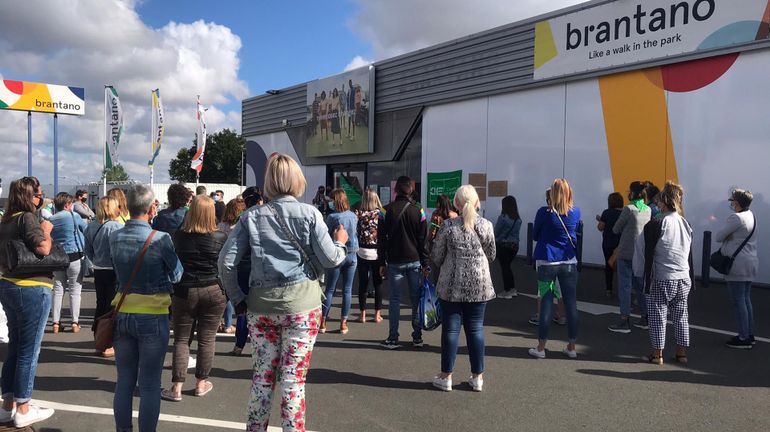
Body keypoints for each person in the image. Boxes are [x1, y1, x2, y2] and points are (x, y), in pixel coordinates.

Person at [219, 153, 348, 431]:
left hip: (261, 306)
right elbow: (330, 259)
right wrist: (341, 244)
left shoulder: (250, 217)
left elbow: (225, 263)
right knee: (293, 381)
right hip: (302, 306)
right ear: (297, 180)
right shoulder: (310, 214)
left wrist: (238, 299)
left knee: (263, 377)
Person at [110, 184, 182, 432]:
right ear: (152, 208)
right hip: (152, 314)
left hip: (122, 311)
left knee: (124, 381)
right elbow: (177, 274)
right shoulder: (161, 239)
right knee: (150, 384)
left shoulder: (115, 236)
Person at [0, 176, 56, 427]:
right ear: (29, 197)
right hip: (32, 286)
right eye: (38, 194)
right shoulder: (27, 218)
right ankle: (23, 407)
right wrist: (45, 231)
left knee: (16, 346)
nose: (41, 198)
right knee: (29, 349)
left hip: (9, 284)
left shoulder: (6, 220)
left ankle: (8, 404)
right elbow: (43, 248)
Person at [160, 196, 227, 402]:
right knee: (207, 338)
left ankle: (177, 387)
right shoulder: (220, 237)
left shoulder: (178, 236)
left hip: (184, 290)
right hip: (213, 288)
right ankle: (200, 384)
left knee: (181, 338)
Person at [430, 185, 495, 392]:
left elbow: (437, 256)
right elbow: (491, 254)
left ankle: (446, 376)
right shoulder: (486, 225)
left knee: (451, 329)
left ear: (456, 204)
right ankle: (477, 377)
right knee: (476, 329)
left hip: (451, 285)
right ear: (477, 203)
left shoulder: (448, 226)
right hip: (480, 285)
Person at [528, 179, 581, 359]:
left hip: (547, 263)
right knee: (571, 304)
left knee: (546, 303)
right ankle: (572, 346)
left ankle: (541, 347)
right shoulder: (576, 212)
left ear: (552, 193)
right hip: (568, 263)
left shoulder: (544, 213)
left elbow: (535, 235)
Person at [641, 181, 692, 365]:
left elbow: (648, 254)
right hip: (683, 276)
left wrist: (645, 279)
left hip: (662, 276)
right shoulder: (686, 223)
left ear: (663, 201)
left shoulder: (656, 223)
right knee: (681, 316)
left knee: (657, 316)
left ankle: (657, 354)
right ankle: (681, 353)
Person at [378, 176, 429, 350]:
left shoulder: (385, 211)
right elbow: (423, 240)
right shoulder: (419, 211)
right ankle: (417, 337)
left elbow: (381, 240)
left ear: (396, 190)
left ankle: (393, 338)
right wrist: (425, 262)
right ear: (411, 189)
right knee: (416, 299)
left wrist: (381, 261)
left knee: (394, 300)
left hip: (394, 261)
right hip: (414, 259)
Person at [715, 188, 758, 349]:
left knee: (738, 300)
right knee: (745, 299)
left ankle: (743, 337)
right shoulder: (751, 215)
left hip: (737, 264)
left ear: (737, 202)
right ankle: (749, 334)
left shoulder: (736, 218)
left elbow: (719, 236)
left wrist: (728, 236)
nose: (731, 203)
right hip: (750, 262)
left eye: (732, 201)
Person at [608, 182, 651, 333]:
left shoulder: (629, 209)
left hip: (626, 252)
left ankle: (624, 320)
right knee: (640, 286)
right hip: (640, 253)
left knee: (625, 286)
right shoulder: (648, 209)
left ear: (632, 193)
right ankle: (645, 317)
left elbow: (616, 228)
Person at [84, 196, 123, 357]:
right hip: (113, 270)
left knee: (101, 304)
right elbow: (119, 251)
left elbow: (88, 250)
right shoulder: (116, 227)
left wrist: (96, 260)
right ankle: (108, 342)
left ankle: (99, 338)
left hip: (99, 269)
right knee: (113, 306)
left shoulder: (91, 226)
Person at [228, 187, 263, 356]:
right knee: (261, 308)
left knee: (242, 306)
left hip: (242, 265)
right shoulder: (266, 218)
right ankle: (259, 345)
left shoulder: (242, 220)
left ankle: (239, 344)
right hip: (260, 266)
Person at [321, 189, 359, 334]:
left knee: (330, 289)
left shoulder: (332, 217)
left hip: (337, 253)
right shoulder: (353, 216)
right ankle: (343, 322)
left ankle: (323, 321)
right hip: (352, 254)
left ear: (335, 201)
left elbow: (326, 234)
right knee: (347, 290)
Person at [49, 192, 87, 334]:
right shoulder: (74, 216)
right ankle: (74, 322)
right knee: (75, 290)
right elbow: (86, 230)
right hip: (74, 255)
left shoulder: (51, 219)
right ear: (67, 205)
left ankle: (55, 323)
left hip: (57, 257)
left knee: (58, 290)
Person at [218, 197, 246, 333]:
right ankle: (230, 325)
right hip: (240, 262)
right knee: (238, 294)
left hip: (222, 261)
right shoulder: (241, 226)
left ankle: (224, 323)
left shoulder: (221, 225)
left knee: (226, 294)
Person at [355, 189, 384, 323]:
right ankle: (377, 314)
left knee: (363, 283)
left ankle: (363, 315)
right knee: (378, 282)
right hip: (377, 252)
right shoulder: (382, 214)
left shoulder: (358, 214)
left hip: (362, 251)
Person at [494, 195, 522, 298]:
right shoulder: (518, 219)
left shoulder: (503, 218)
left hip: (503, 246)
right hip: (514, 247)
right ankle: (512, 289)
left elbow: (496, 232)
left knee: (505, 268)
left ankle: (507, 291)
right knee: (508, 268)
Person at [597, 192, 624, 298]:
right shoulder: (625, 212)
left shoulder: (606, 213)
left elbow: (600, 227)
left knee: (609, 266)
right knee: (623, 267)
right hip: (621, 244)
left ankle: (609, 289)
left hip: (608, 243)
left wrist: (601, 220)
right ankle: (624, 289)